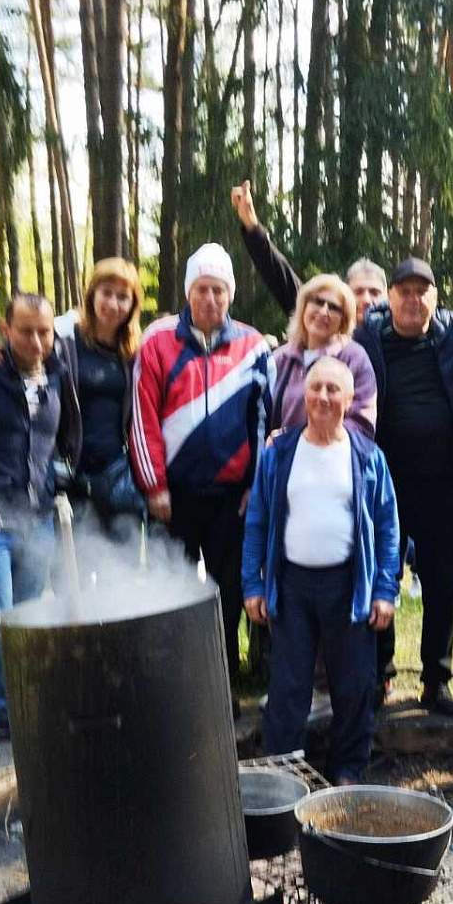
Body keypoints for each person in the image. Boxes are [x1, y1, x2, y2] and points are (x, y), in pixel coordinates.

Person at [242, 357, 399, 783]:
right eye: (316, 388)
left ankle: (347, 770)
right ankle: (284, 772)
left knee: (353, 684)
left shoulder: (368, 456)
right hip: (291, 585)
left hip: (348, 584)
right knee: (289, 687)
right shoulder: (280, 451)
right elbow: (257, 518)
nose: (324, 397)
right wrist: (252, 583)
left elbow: (387, 528)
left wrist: (385, 591)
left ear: (350, 399)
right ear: (303, 395)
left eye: (334, 390)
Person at [131, 242, 274, 703]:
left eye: (218, 290)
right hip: (174, 494)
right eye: (201, 289)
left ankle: (222, 683)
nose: (210, 299)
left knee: (227, 593)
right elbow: (142, 418)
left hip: (231, 496)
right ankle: (171, 687)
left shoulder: (253, 346)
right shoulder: (157, 342)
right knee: (169, 590)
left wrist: (255, 483)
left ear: (230, 294)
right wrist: (155, 487)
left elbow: (262, 419)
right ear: (188, 293)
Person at [0, 293, 80, 748]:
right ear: (5, 330)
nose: (35, 339)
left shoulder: (59, 376)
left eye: (43, 331)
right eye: (25, 330)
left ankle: (7, 713)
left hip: (38, 519)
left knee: (24, 621)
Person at [354, 257, 453, 713]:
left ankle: (436, 679)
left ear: (435, 298)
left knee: (441, 582)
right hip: (385, 485)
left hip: (442, 483)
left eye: (423, 291)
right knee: (384, 577)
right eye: (405, 291)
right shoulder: (367, 337)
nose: (414, 299)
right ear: (390, 296)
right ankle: (380, 675)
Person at [0, 257, 145, 540]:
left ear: (132, 304)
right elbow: (23, 351)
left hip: (116, 474)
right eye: (106, 293)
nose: (113, 304)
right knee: (70, 571)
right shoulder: (64, 337)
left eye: (123, 297)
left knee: (120, 567)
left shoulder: (135, 349)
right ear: (92, 295)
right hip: (68, 473)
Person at [230, 181, 388, 326]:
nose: (366, 300)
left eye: (374, 292)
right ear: (344, 299)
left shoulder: (401, 338)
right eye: (358, 292)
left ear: (388, 298)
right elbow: (281, 279)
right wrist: (252, 225)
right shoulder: (325, 329)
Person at [269, 273, 378, 437]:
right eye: (318, 302)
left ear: (344, 319)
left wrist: (299, 439)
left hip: (333, 458)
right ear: (303, 306)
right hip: (281, 459)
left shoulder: (354, 358)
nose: (324, 311)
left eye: (334, 307)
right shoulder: (280, 358)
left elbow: (362, 424)